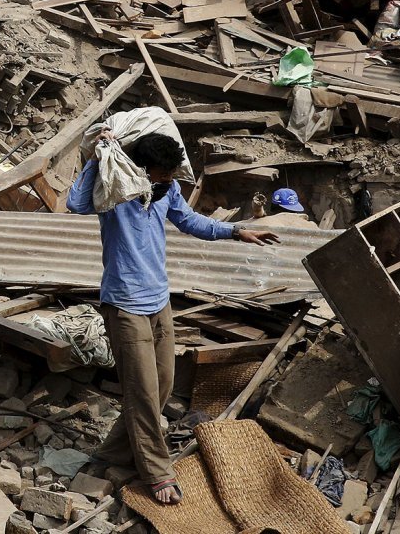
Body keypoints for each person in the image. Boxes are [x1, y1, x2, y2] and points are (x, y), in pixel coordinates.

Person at [67, 130, 279, 505]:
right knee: (143, 392)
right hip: (125, 305)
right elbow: (75, 204)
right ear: (143, 169)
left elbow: (192, 221)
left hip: (158, 301)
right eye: (161, 175)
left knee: (162, 384)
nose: (167, 182)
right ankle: (157, 472)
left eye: (170, 175)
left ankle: (111, 454)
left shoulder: (168, 193)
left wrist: (237, 230)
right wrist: (96, 159)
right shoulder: (116, 192)